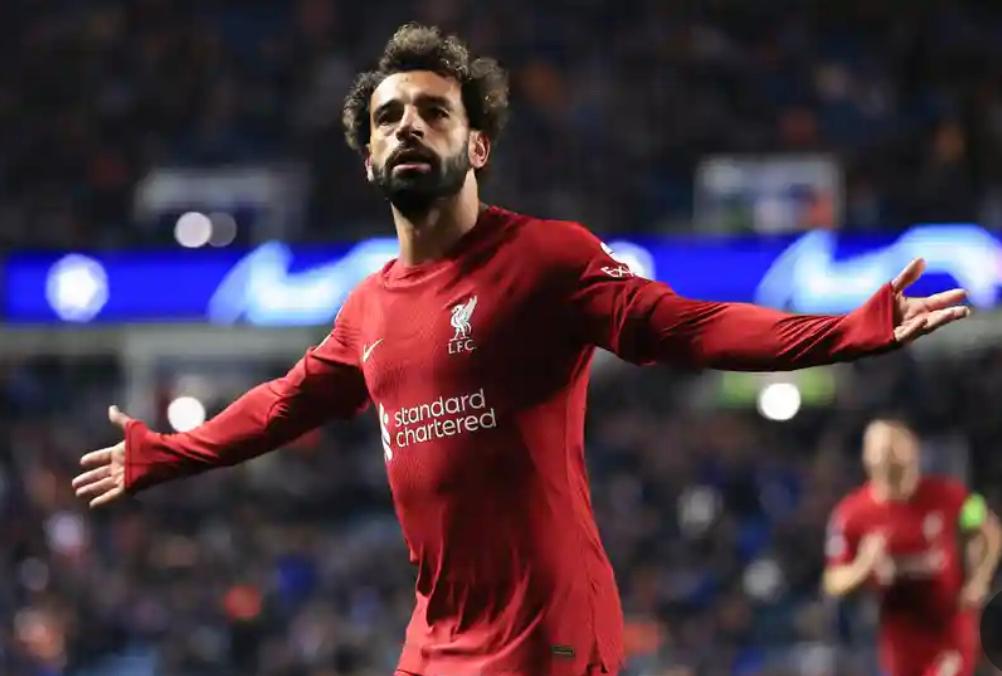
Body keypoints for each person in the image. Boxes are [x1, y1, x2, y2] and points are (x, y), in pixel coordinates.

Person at [72, 24, 972, 676]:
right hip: (435, 637)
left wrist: (852, 328)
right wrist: (167, 453)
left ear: (478, 144)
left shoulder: (546, 259)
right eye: (389, 117)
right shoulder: (366, 309)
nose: (408, 125)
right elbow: (281, 404)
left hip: (546, 636)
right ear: (368, 159)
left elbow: (690, 327)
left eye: (433, 111)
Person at [823, 419, 1001, 676]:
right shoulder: (851, 515)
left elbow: (988, 528)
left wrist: (979, 579)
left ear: (914, 451)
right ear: (867, 457)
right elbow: (833, 581)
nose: (891, 458)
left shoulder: (949, 495)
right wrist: (863, 566)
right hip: (898, 635)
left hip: (949, 626)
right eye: (882, 450)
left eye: (896, 448)